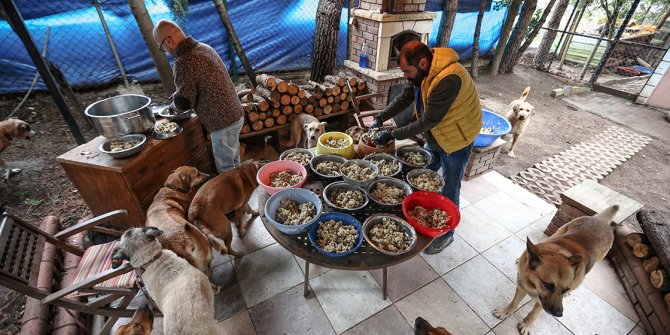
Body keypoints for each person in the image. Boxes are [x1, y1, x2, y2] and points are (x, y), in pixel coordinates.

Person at [372, 41, 482, 254]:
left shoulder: (449, 78)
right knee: (425, 175)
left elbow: (427, 121)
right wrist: (380, 117)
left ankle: (447, 236)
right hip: (438, 134)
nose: (405, 76)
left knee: (450, 186)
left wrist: (391, 134)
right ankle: (422, 214)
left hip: (457, 139)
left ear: (422, 63)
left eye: (407, 71)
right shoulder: (423, 72)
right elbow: (405, 97)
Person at [153, 20, 244, 173]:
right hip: (235, 114)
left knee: (226, 170)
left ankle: (236, 194)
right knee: (234, 160)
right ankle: (242, 187)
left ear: (169, 40)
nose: (166, 51)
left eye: (163, 48)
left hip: (222, 122)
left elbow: (185, 102)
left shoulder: (184, 61)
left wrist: (174, 103)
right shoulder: (203, 47)